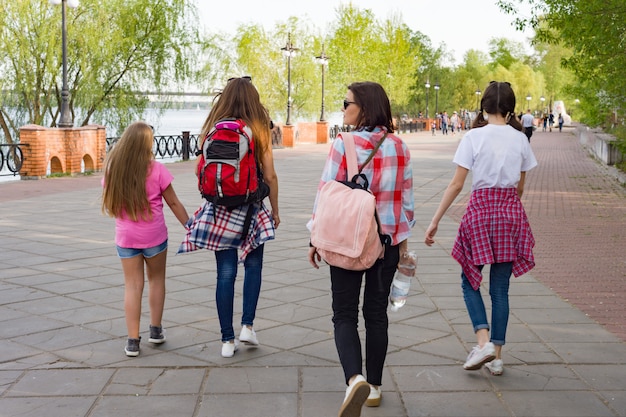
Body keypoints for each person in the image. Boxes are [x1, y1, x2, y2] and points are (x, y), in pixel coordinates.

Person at [308, 81, 415, 417]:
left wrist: (315, 237)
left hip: (349, 241)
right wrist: (402, 248)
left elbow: (326, 195)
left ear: (364, 108)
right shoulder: (400, 146)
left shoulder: (345, 144)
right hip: (387, 243)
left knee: (344, 313)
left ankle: (354, 379)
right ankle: (376, 387)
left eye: (346, 103)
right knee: (376, 315)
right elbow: (406, 205)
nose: (343, 109)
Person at [424, 81, 537, 376]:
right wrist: (508, 207)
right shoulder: (520, 139)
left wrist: (435, 220)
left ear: (484, 107)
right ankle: (496, 358)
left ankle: (483, 342)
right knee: (501, 289)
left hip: (480, 211)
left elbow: (457, 184)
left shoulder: (474, 137)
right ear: (510, 108)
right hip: (511, 212)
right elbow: (521, 186)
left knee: (469, 281)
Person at [179, 76, 280, 358]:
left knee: (225, 273)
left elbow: (200, 170)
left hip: (219, 209)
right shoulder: (258, 129)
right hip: (251, 207)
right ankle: (247, 325)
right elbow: (270, 175)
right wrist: (275, 209)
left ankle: (226, 340)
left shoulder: (211, 128)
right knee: (254, 265)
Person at [102, 121, 190, 357]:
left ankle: (132, 340)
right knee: (157, 280)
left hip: (125, 237)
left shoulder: (114, 169)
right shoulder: (157, 169)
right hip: (154, 237)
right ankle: (155, 330)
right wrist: (190, 226)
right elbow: (173, 202)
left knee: (132, 286)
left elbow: (109, 198)